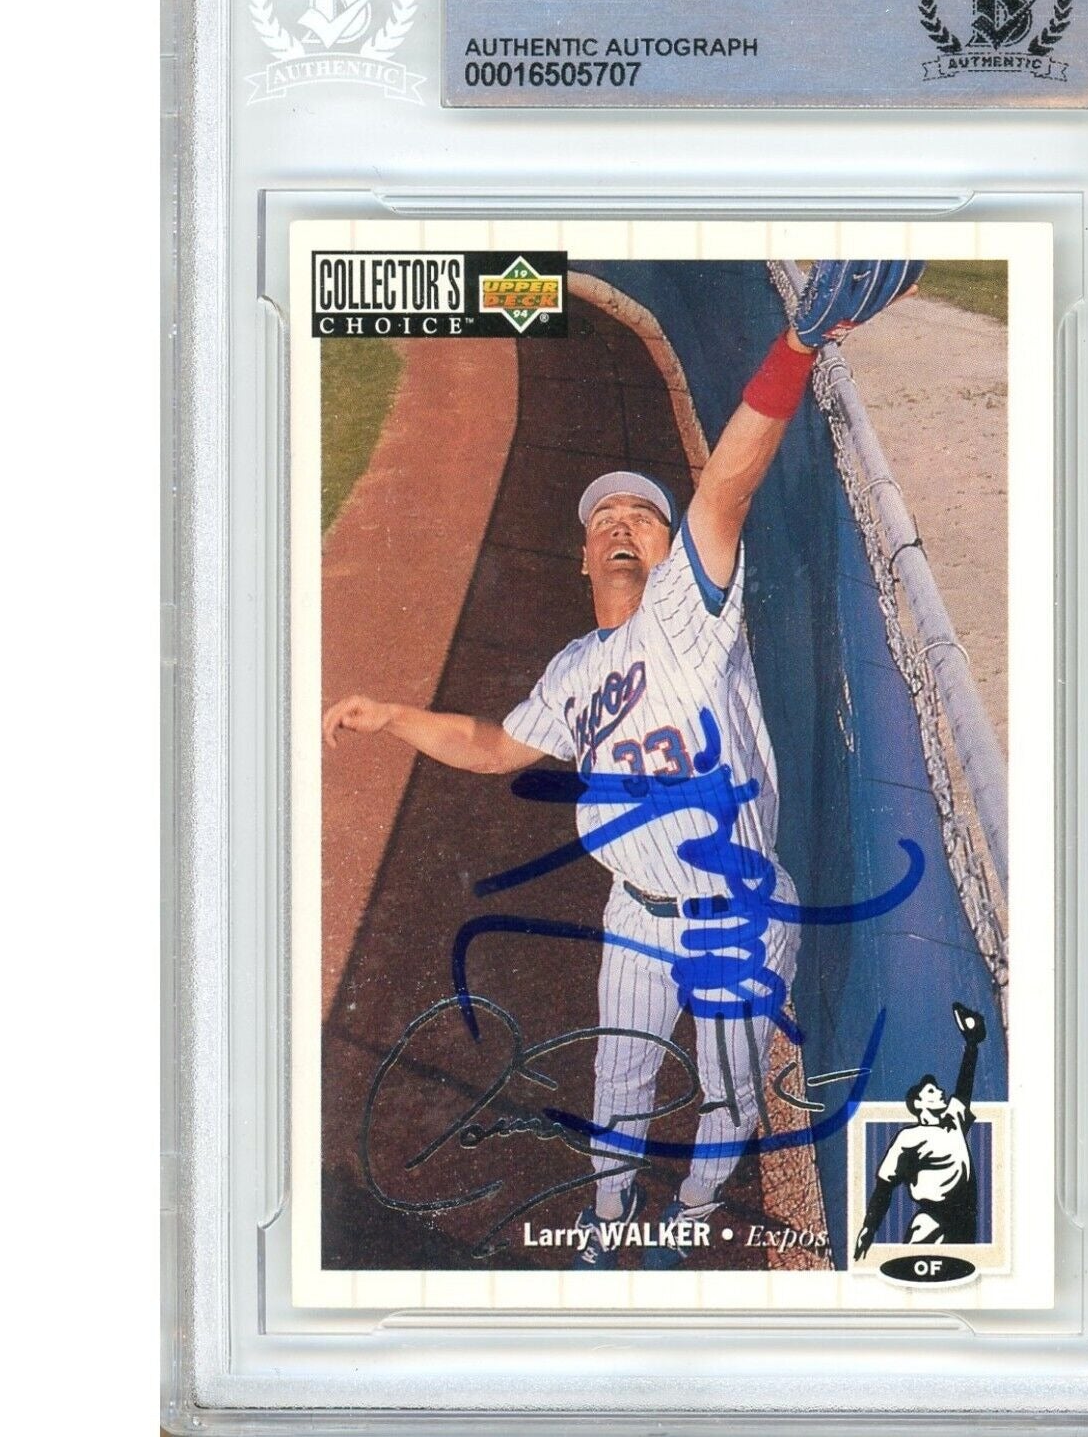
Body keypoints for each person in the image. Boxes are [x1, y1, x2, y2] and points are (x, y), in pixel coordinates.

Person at [324, 264, 921, 1268]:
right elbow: (495, 745)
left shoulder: (689, 613)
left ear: (669, 545)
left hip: (736, 914)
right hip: (634, 912)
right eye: (601, 521)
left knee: (729, 1096)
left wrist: (795, 348)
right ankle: (607, 1222)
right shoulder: (571, 670)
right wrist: (392, 716)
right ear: (582, 558)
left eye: (640, 515)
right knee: (617, 1084)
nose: (617, 526)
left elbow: (726, 485)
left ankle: (688, 1213)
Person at [853, 1003, 987, 1256]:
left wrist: (971, 1044)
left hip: (964, 1223)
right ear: (919, 1104)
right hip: (933, 1222)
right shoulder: (909, 1137)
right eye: (931, 1091)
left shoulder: (953, 1122)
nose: (940, 1092)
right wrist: (869, 1227)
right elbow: (885, 1185)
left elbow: (963, 1089)